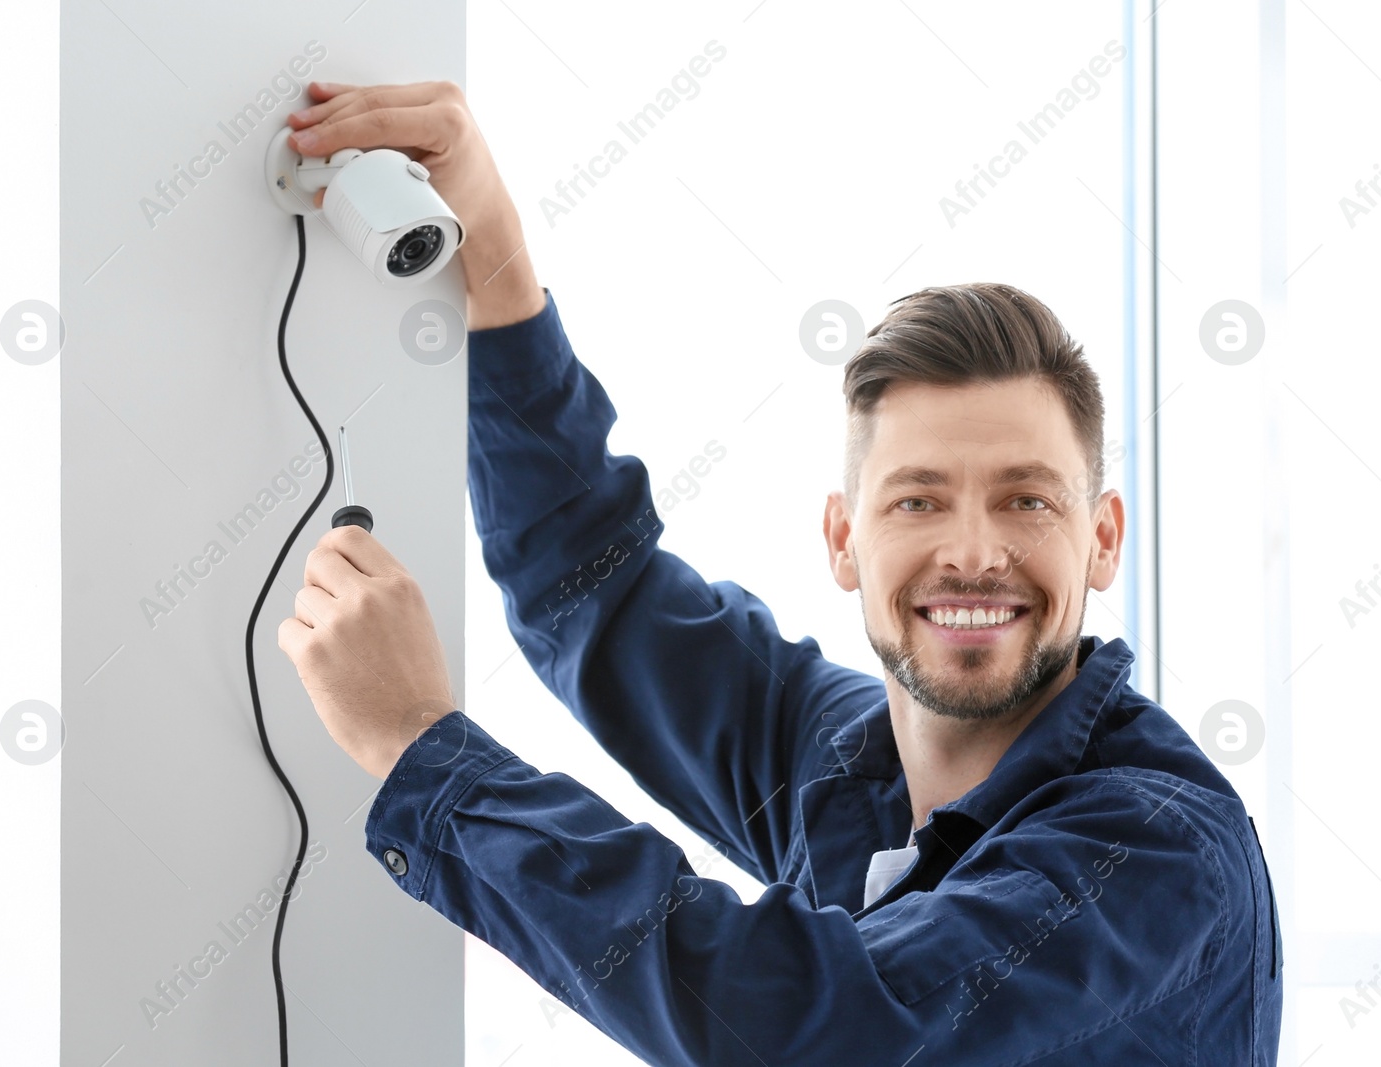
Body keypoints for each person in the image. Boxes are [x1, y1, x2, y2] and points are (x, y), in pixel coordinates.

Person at [276, 80, 1283, 1065]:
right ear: (843, 539)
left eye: (1026, 498)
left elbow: (818, 1029)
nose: (972, 551)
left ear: (1101, 537)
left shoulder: (1155, 846)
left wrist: (423, 745)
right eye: (917, 500)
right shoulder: (844, 761)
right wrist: (490, 246)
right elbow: (593, 586)